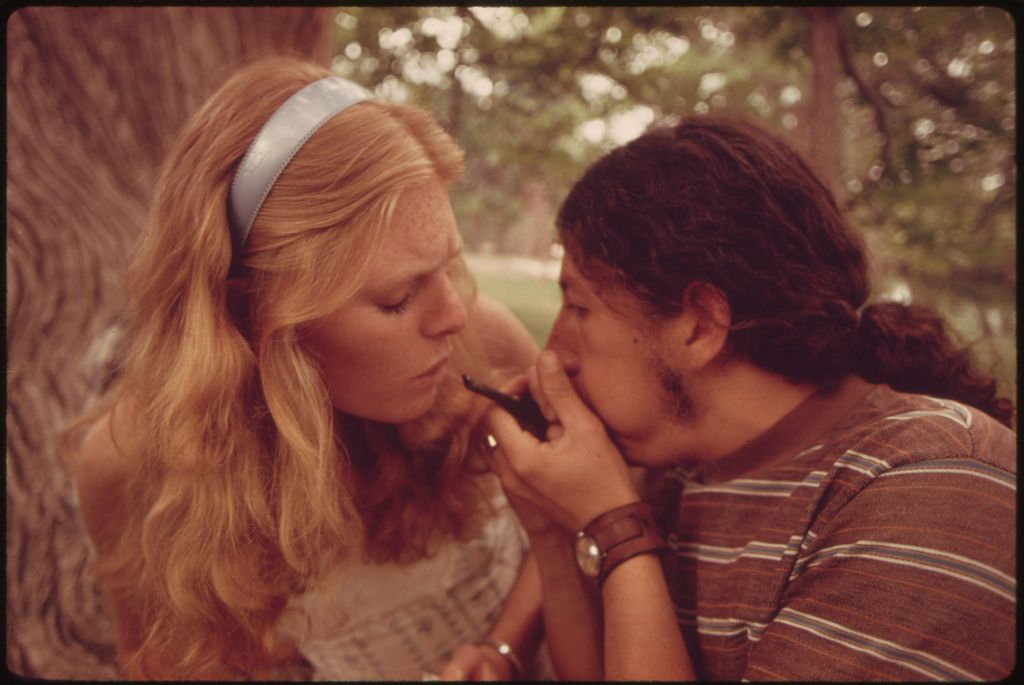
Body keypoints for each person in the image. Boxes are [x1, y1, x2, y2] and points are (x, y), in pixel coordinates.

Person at [63, 56, 550, 680]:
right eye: (399, 297)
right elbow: (151, 658)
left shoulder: (487, 343)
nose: (454, 315)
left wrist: (503, 650)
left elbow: (578, 516)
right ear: (252, 312)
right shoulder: (129, 464)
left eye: (449, 267)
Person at [481, 116, 1016, 681]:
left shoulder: (935, 492)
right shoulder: (681, 472)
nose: (555, 352)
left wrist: (616, 527)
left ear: (700, 325)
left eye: (580, 307)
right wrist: (552, 527)